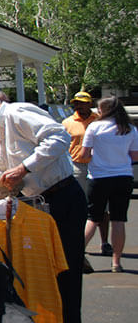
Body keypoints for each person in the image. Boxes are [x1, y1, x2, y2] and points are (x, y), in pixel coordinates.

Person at [0, 88, 87, 323]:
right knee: (48, 271)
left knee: (66, 270)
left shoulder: (16, 113)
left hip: (61, 197)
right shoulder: (1, 127)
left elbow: (59, 137)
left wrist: (24, 168)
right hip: (39, 202)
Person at [79, 96, 138, 273]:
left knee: (93, 217)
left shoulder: (95, 127)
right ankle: (116, 262)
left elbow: (83, 154)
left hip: (99, 176)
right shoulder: (130, 129)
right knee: (119, 219)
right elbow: (135, 157)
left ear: (103, 110)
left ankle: (78, 253)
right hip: (123, 176)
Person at [63, 92, 111, 257]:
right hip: (77, 167)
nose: (79, 106)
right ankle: (80, 243)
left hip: (97, 166)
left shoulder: (99, 120)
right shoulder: (67, 123)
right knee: (80, 206)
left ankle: (105, 242)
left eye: (83, 103)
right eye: (77, 103)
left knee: (102, 207)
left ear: (89, 104)